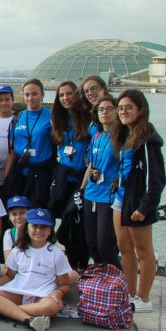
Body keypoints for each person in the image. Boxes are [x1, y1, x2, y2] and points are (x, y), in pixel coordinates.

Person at [113, 89, 165, 312]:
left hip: (136, 204)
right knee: (124, 248)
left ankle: (144, 298)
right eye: (121, 108)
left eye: (129, 107)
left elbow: (156, 180)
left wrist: (145, 207)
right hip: (120, 200)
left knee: (144, 251)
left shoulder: (147, 141)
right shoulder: (125, 135)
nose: (123, 111)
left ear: (141, 109)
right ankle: (129, 293)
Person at [0, 208, 72, 331]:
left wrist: (58, 293)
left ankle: (2, 310)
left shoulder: (57, 254)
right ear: (27, 228)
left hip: (42, 296)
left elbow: (65, 285)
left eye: (43, 227)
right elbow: (10, 276)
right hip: (18, 292)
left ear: (49, 230)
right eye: (35, 226)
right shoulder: (18, 250)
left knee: (52, 307)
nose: (39, 230)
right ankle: (28, 319)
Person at [50, 80, 93, 270]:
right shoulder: (59, 120)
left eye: (69, 94)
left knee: (74, 217)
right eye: (61, 95)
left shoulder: (87, 119)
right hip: (62, 175)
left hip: (80, 176)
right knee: (51, 212)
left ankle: (78, 263)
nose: (65, 98)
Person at [80, 95, 121, 268]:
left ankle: (118, 281)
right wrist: (81, 190)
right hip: (91, 194)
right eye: (101, 109)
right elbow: (91, 165)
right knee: (92, 243)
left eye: (109, 109)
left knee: (106, 244)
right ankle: (100, 281)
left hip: (108, 197)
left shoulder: (121, 137)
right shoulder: (97, 136)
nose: (104, 112)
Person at [4, 79, 54, 208]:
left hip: (40, 173)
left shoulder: (51, 117)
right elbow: (12, 150)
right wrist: (6, 175)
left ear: (42, 95)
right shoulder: (18, 118)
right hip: (19, 171)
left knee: (37, 212)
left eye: (34, 94)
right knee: (17, 212)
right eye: (27, 94)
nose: (30, 98)